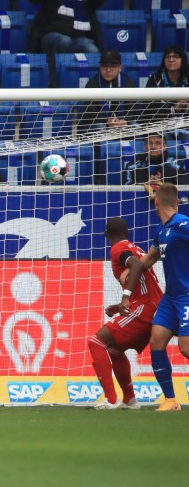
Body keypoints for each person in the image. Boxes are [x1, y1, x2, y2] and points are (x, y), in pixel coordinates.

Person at [120, 184, 189, 411]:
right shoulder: (161, 231)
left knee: (185, 347)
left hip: (187, 296)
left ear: (156, 202)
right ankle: (171, 400)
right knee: (156, 341)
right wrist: (133, 269)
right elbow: (150, 259)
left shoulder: (183, 224)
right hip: (171, 297)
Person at [89, 217, 163, 410]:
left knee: (96, 342)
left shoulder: (117, 249)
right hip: (153, 305)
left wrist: (125, 297)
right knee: (115, 349)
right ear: (127, 233)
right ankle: (130, 400)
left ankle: (111, 400)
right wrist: (120, 303)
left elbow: (136, 266)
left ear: (106, 235)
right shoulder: (136, 248)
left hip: (144, 307)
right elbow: (140, 271)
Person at [26, 0, 105, 85]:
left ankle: (88, 92)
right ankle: (54, 86)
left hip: (80, 38)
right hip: (51, 34)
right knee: (63, 41)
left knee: (92, 50)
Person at [81, 50, 137, 132]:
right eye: (104, 66)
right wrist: (107, 121)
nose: (108, 70)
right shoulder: (92, 83)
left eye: (113, 66)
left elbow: (133, 110)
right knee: (99, 127)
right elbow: (90, 113)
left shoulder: (128, 83)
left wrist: (123, 120)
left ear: (120, 68)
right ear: (100, 67)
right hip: (101, 124)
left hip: (123, 124)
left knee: (136, 126)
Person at [122, 132, 187, 186]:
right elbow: (126, 190)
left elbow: (181, 191)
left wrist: (160, 184)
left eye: (158, 143)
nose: (153, 147)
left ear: (164, 147)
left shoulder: (177, 166)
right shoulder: (132, 166)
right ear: (145, 146)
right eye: (150, 143)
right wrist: (146, 184)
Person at [144, 46, 189, 121]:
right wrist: (173, 110)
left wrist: (186, 106)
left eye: (176, 57)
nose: (171, 60)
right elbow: (148, 110)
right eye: (168, 57)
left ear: (183, 60)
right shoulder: (155, 79)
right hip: (159, 125)